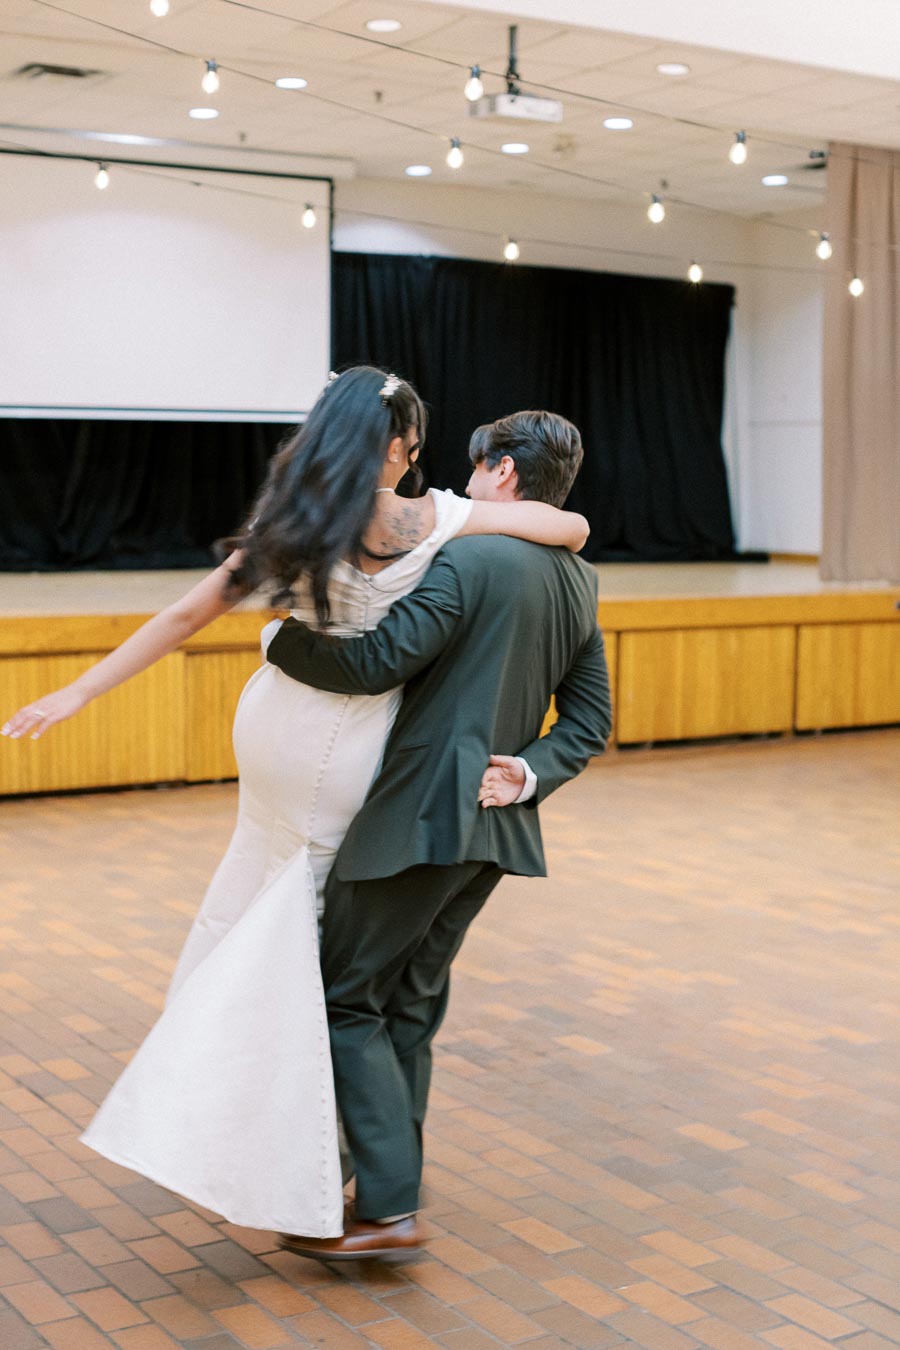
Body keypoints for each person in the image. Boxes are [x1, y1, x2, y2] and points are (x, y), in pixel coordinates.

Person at [1, 368, 590, 1238]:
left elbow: (178, 620)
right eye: (418, 447)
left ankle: (249, 1124)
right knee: (324, 957)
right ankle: (318, 1155)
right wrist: (550, 518)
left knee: (260, 912)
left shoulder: (291, 529)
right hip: (348, 749)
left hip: (273, 734)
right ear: (398, 447)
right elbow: (566, 524)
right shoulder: (430, 519)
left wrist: (77, 695)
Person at [263, 408, 612, 1260]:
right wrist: (526, 772)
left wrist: (283, 641)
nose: (459, 485)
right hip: (494, 834)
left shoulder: (470, 556)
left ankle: (385, 1210)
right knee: (407, 1004)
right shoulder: (579, 580)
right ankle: (388, 1177)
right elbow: (591, 719)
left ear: (499, 473)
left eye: (473, 470)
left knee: (345, 998)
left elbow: (381, 659)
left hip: (418, 822)